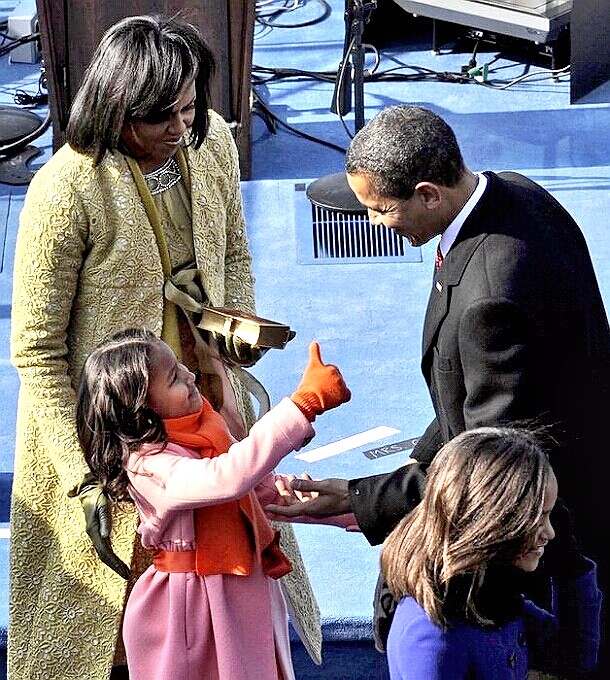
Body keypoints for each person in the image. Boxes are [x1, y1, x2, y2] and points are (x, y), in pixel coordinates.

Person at [8, 14, 321, 680]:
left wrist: (233, 339)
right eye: (165, 118)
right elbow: (35, 350)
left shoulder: (209, 146)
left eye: (191, 108)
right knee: (112, 626)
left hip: (203, 405)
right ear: (120, 111)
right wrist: (85, 473)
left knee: (218, 582)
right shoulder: (65, 188)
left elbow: (234, 251)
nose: (183, 128)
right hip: (114, 441)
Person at [266, 105, 610, 674]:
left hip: (547, 538)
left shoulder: (492, 295)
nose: (374, 223)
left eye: (380, 210)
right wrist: (369, 489)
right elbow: (465, 402)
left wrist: (360, 500)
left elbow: (487, 462)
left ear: (428, 194)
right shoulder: (515, 196)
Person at [75, 329, 351, 680]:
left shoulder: (206, 431)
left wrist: (360, 507)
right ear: (141, 411)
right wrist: (303, 405)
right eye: (174, 377)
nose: (189, 375)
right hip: (190, 617)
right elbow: (228, 478)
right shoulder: (148, 466)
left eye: (180, 366)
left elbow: (264, 493)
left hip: (239, 597)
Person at [380, 426, 601, 679]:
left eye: (550, 515)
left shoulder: (488, 596)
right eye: (537, 518)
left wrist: (570, 566)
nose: (550, 533)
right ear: (491, 522)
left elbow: (574, 656)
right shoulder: (434, 637)